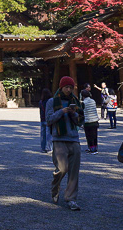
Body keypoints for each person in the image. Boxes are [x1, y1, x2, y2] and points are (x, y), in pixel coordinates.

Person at [46, 76, 83, 211]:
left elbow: (80, 121)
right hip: (59, 139)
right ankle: (55, 187)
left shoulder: (75, 101)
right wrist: (62, 111)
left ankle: (71, 199)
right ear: (61, 87)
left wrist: (73, 114)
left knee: (74, 172)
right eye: (66, 87)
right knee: (62, 168)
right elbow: (49, 120)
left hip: (74, 139)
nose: (68, 90)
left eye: (70, 87)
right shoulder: (52, 101)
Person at [81, 89, 99, 153]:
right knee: (94, 136)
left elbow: (81, 111)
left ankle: (91, 148)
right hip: (95, 120)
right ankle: (95, 148)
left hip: (88, 121)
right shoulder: (93, 101)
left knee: (89, 136)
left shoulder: (83, 103)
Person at [38, 88, 53, 153]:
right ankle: (49, 148)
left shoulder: (40, 102)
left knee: (43, 135)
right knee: (49, 134)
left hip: (42, 119)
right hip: (48, 119)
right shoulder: (50, 101)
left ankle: (43, 147)